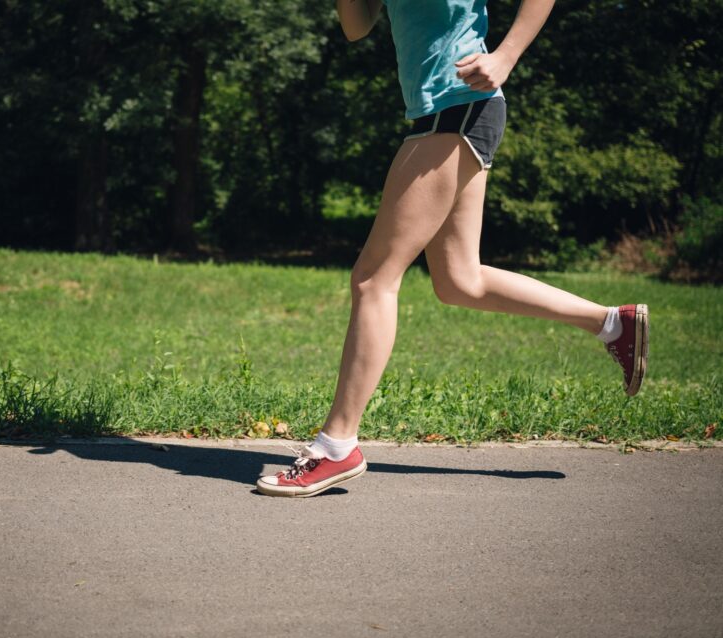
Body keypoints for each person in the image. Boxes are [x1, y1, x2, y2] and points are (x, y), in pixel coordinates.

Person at [256, 0, 649, 498]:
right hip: (442, 111)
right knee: (460, 280)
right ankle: (613, 323)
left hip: (460, 104)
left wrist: (505, 55)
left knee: (374, 278)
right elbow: (357, 26)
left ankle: (337, 446)